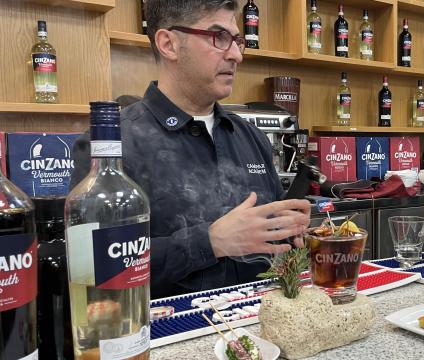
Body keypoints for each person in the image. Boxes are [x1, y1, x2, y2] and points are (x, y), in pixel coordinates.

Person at [70, 0, 310, 299]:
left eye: (237, 41)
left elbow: (272, 241)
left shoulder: (251, 137)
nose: (236, 55)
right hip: (167, 336)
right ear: (168, 44)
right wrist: (209, 242)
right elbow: (93, 268)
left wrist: (291, 229)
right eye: (219, 37)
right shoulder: (112, 145)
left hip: (261, 326)